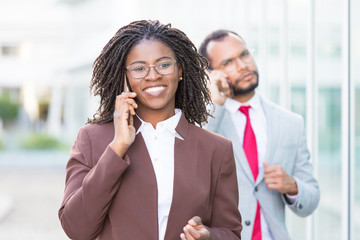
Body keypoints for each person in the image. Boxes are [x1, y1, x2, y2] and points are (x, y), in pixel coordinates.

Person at [58, 20, 242, 240]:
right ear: (125, 77)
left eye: (164, 65)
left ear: (180, 70)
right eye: (139, 68)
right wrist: (117, 148)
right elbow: (76, 228)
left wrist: (208, 236)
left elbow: (231, 232)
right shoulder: (92, 139)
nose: (153, 75)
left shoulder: (217, 149)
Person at [199, 30, 320, 240]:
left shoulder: (291, 123)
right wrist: (215, 103)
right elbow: (194, 159)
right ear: (211, 73)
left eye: (244, 54)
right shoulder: (206, 121)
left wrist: (292, 186)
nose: (242, 65)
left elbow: (311, 199)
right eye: (228, 62)